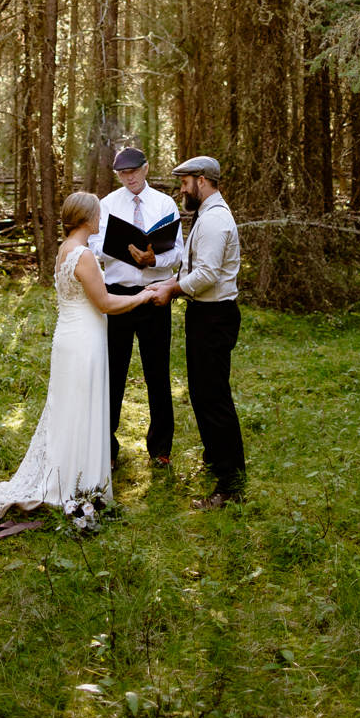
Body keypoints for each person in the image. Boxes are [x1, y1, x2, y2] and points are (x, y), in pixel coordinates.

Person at [0, 192, 157, 519]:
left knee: (69, 408)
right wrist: (142, 296)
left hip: (68, 337)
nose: (101, 217)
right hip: (84, 341)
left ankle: (71, 474)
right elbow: (105, 304)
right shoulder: (85, 256)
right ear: (87, 219)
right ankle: (80, 483)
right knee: (83, 406)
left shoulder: (64, 251)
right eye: (98, 213)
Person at [152, 157, 245, 507]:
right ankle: (218, 460)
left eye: (185, 182)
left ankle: (230, 485)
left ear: (202, 181)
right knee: (204, 393)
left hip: (214, 317)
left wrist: (171, 291)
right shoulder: (206, 216)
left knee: (213, 398)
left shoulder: (215, 220)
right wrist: (169, 282)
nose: (182, 190)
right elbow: (196, 270)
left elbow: (206, 276)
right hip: (204, 315)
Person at [87, 146, 184, 469]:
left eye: (133, 171)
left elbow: (178, 253)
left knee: (157, 371)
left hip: (155, 295)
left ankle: (160, 449)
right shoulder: (108, 204)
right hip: (117, 296)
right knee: (112, 371)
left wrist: (155, 258)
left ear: (145, 168)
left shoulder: (165, 203)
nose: (128, 177)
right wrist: (124, 251)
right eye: (122, 173)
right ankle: (108, 448)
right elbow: (94, 246)